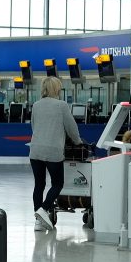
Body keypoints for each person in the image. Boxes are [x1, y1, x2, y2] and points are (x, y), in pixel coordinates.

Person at [28, 76, 82, 231]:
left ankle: (38, 222)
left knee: (39, 184)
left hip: (35, 149)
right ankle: (43, 210)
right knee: (57, 183)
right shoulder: (61, 105)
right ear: (56, 89)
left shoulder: (36, 105)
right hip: (53, 150)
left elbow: (33, 126)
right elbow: (71, 128)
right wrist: (78, 141)